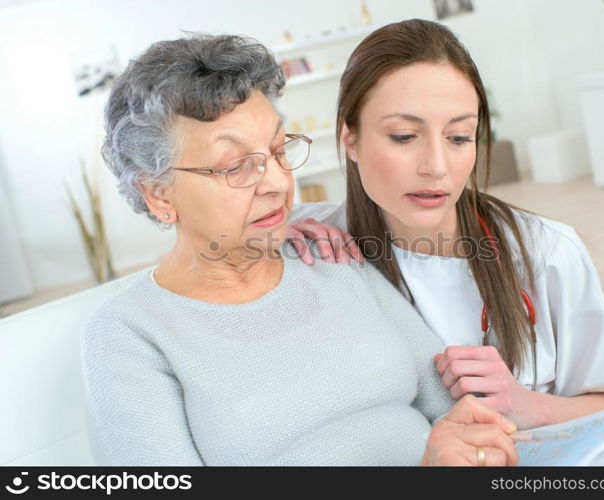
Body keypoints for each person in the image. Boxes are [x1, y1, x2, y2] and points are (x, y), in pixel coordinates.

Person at [81, 33, 520, 466]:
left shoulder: (328, 258)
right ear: (158, 194)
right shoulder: (131, 334)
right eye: (235, 166)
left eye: (277, 151)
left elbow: (450, 406)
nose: (275, 182)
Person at [288, 19, 604, 465]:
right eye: (404, 136)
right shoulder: (313, 240)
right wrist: (269, 235)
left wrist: (528, 405)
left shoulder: (546, 251)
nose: (437, 166)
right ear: (350, 138)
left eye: (459, 137)